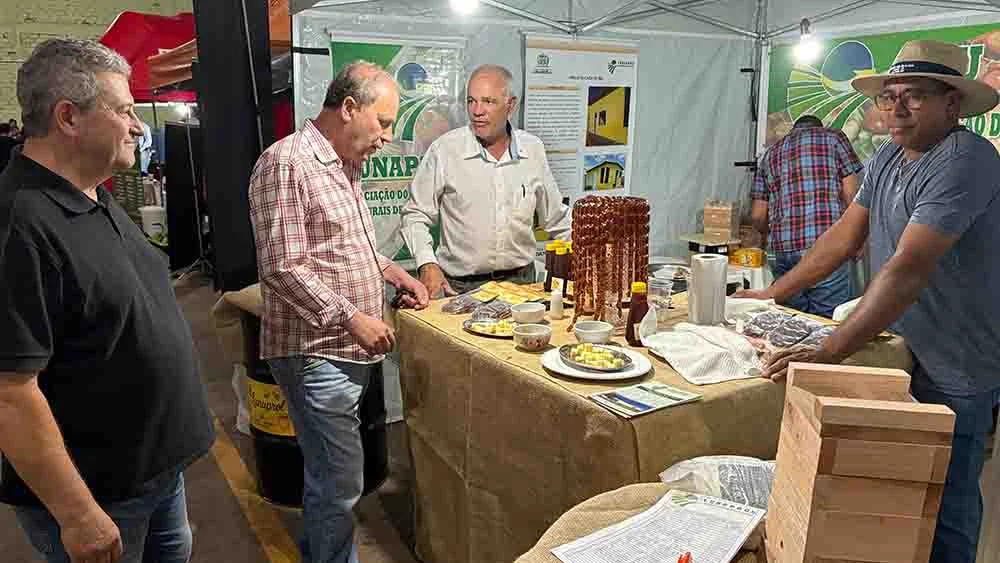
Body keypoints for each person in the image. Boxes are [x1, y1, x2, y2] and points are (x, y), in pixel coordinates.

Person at [738, 40, 1000, 562]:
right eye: (890, 96)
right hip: (899, 350)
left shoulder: (968, 160)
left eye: (916, 96)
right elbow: (843, 237)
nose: (897, 108)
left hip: (957, 361)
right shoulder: (885, 158)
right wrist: (770, 294)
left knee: (945, 502)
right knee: (892, 494)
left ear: (952, 104)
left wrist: (831, 350)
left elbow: (908, 267)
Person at [0, 39, 215, 562]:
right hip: (101, 494)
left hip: (154, 475)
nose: (139, 126)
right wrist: (77, 514)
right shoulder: (20, 225)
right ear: (69, 118)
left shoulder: (92, 193)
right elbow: (9, 391)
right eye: (124, 111)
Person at [248, 60, 429, 563]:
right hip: (317, 352)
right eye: (385, 122)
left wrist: (394, 273)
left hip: (341, 352)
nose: (388, 137)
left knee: (333, 476)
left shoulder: (343, 164)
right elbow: (284, 268)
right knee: (339, 481)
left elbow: (345, 246)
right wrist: (351, 316)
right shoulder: (287, 163)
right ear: (349, 108)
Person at [401, 64, 572, 296]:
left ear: (510, 105)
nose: (477, 111)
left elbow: (557, 218)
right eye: (471, 101)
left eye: (488, 102)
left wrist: (589, 257)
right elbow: (415, 215)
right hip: (460, 288)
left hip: (523, 285)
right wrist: (427, 263)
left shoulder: (533, 150)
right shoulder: (445, 150)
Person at [751, 113, 863, 317]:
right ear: (818, 127)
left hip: (781, 252)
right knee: (826, 323)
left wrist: (771, 232)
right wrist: (859, 237)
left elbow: (758, 215)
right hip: (825, 248)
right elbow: (851, 195)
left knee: (791, 323)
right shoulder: (834, 138)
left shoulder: (769, 155)